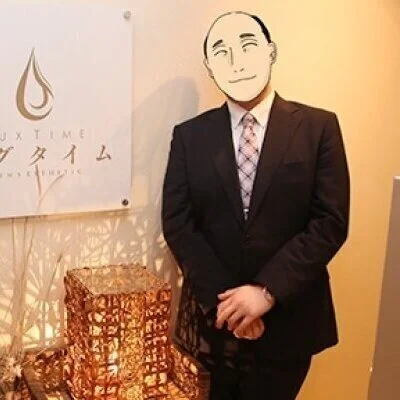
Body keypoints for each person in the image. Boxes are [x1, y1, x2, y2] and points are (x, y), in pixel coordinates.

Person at [162, 10, 350, 400]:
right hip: (213, 325)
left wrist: (265, 293)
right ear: (210, 69)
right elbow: (178, 223)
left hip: (288, 322)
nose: (236, 60)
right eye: (221, 52)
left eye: (247, 45)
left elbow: (330, 222)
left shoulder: (318, 128)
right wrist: (230, 305)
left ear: (270, 51)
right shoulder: (189, 136)